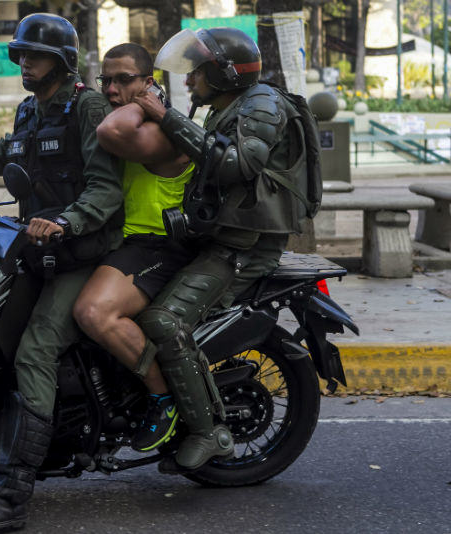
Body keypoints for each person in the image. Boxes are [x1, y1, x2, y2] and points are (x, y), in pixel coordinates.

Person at [0, 13, 123, 531]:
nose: (24, 63)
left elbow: (105, 188)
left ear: (60, 61)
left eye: (33, 56)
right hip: (39, 252)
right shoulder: (29, 110)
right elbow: (5, 154)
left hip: (85, 254)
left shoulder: (88, 107)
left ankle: (14, 492)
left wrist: (65, 222)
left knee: (36, 348)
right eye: (21, 55)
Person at [105, 27, 313, 473]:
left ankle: (207, 431)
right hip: (221, 237)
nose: (188, 81)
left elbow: (240, 165)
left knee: (163, 320)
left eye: (197, 72)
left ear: (224, 72)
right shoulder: (228, 107)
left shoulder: (261, 102)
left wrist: (167, 117)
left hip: (246, 247)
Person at [72, 43, 196, 453]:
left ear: (149, 83)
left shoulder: (158, 132)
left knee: (93, 312)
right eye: (105, 80)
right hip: (125, 243)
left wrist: (148, 103)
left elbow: (110, 129)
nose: (110, 89)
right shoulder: (130, 121)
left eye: (124, 80)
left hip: (158, 245)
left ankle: (162, 398)